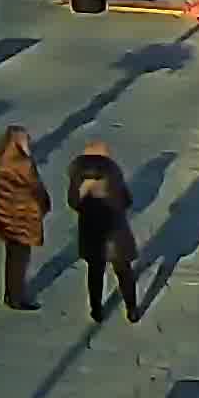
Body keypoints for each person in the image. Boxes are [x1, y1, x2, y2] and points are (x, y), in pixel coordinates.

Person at [67, 139, 142, 325]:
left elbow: (73, 202)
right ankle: (131, 309)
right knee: (124, 272)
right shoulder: (112, 173)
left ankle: (96, 310)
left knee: (95, 272)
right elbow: (126, 201)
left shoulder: (78, 176)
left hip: (90, 232)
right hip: (115, 232)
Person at [0, 127, 48, 311]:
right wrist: (44, 204)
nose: (29, 143)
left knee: (11, 257)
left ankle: (10, 293)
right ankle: (16, 297)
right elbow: (36, 189)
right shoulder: (23, 164)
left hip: (7, 217)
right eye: (25, 140)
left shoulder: (3, 159)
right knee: (20, 260)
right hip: (22, 219)